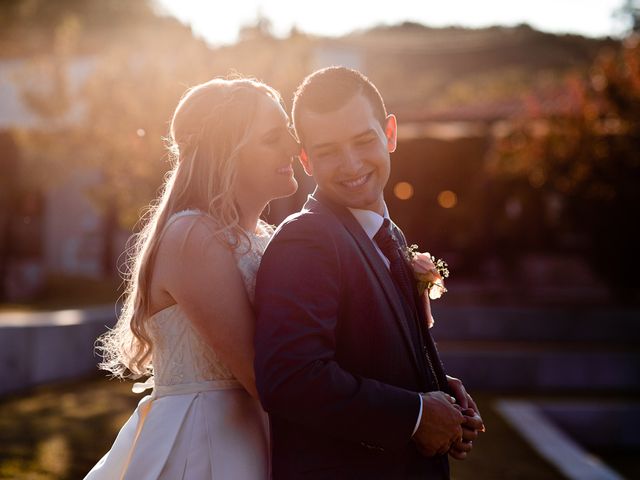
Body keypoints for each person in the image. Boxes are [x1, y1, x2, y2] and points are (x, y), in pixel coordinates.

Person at [254, 66, 484, 479]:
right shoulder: (306, 239)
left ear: (390, 134)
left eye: (364, 141)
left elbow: (368, 350)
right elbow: (291, 377)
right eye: (327, 151)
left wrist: (436, 387)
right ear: (305, 160)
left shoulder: (389, 235)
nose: (351, 164)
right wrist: (415, 415)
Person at [85, 77, 299, 479]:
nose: (293, 146)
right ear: (226, 154)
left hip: (255, 432)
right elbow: (262, 373)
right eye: (273, 137)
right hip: (204, 443)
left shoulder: (263, 238)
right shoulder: (193, 237)